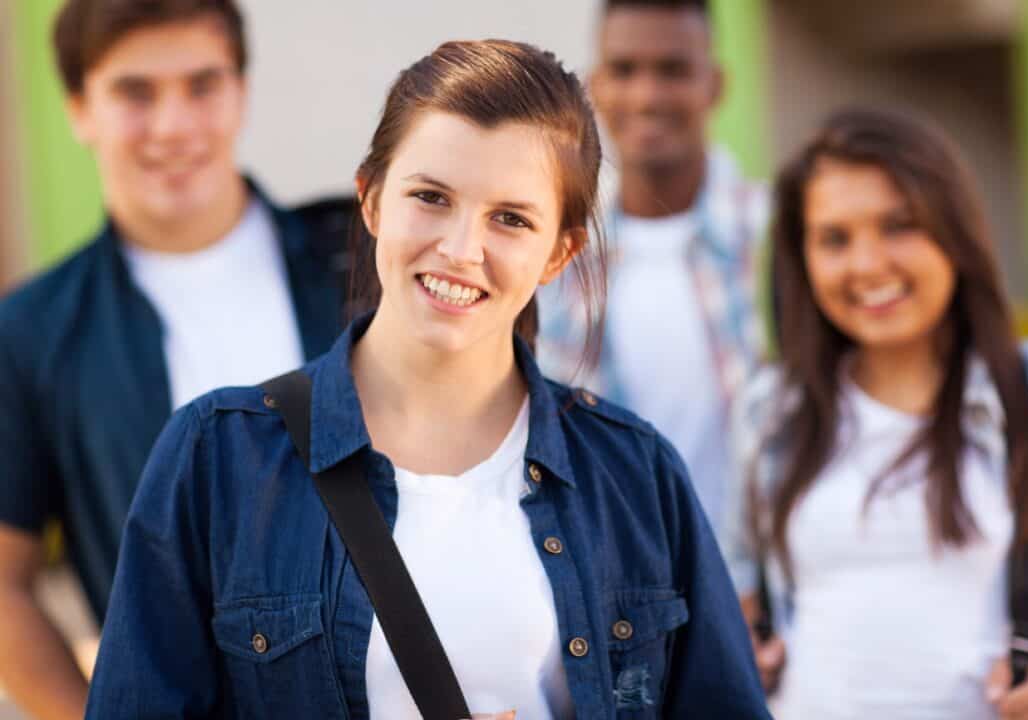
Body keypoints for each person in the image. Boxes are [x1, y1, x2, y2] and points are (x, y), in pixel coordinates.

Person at [84, 39, 772, 719]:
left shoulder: (633, 473)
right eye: (431, 197)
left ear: (558, 252)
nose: (461, 249)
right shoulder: (217, 457)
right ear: (372, 200)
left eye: (510, 218)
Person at [0, 1, 348, 717]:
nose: (173, 125)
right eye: (134, 92)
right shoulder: (32, 330)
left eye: (202, 85)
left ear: (242, 92)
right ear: (78, 108)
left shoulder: (355, 262)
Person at [725, 108, 1028, 719]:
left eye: (898, 226)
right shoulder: (773, 407)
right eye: (834, 238)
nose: (867, 264)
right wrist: (744, 646)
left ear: (955, 232)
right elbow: (744, 586)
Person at [538, 0, 769, 541]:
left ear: (714, 85)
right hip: (616, 585)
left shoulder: (776, 237)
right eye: (624, 71)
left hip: (754, 596)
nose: (647, 95)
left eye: (672, 70)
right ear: (596, 86)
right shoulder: (554, 259)